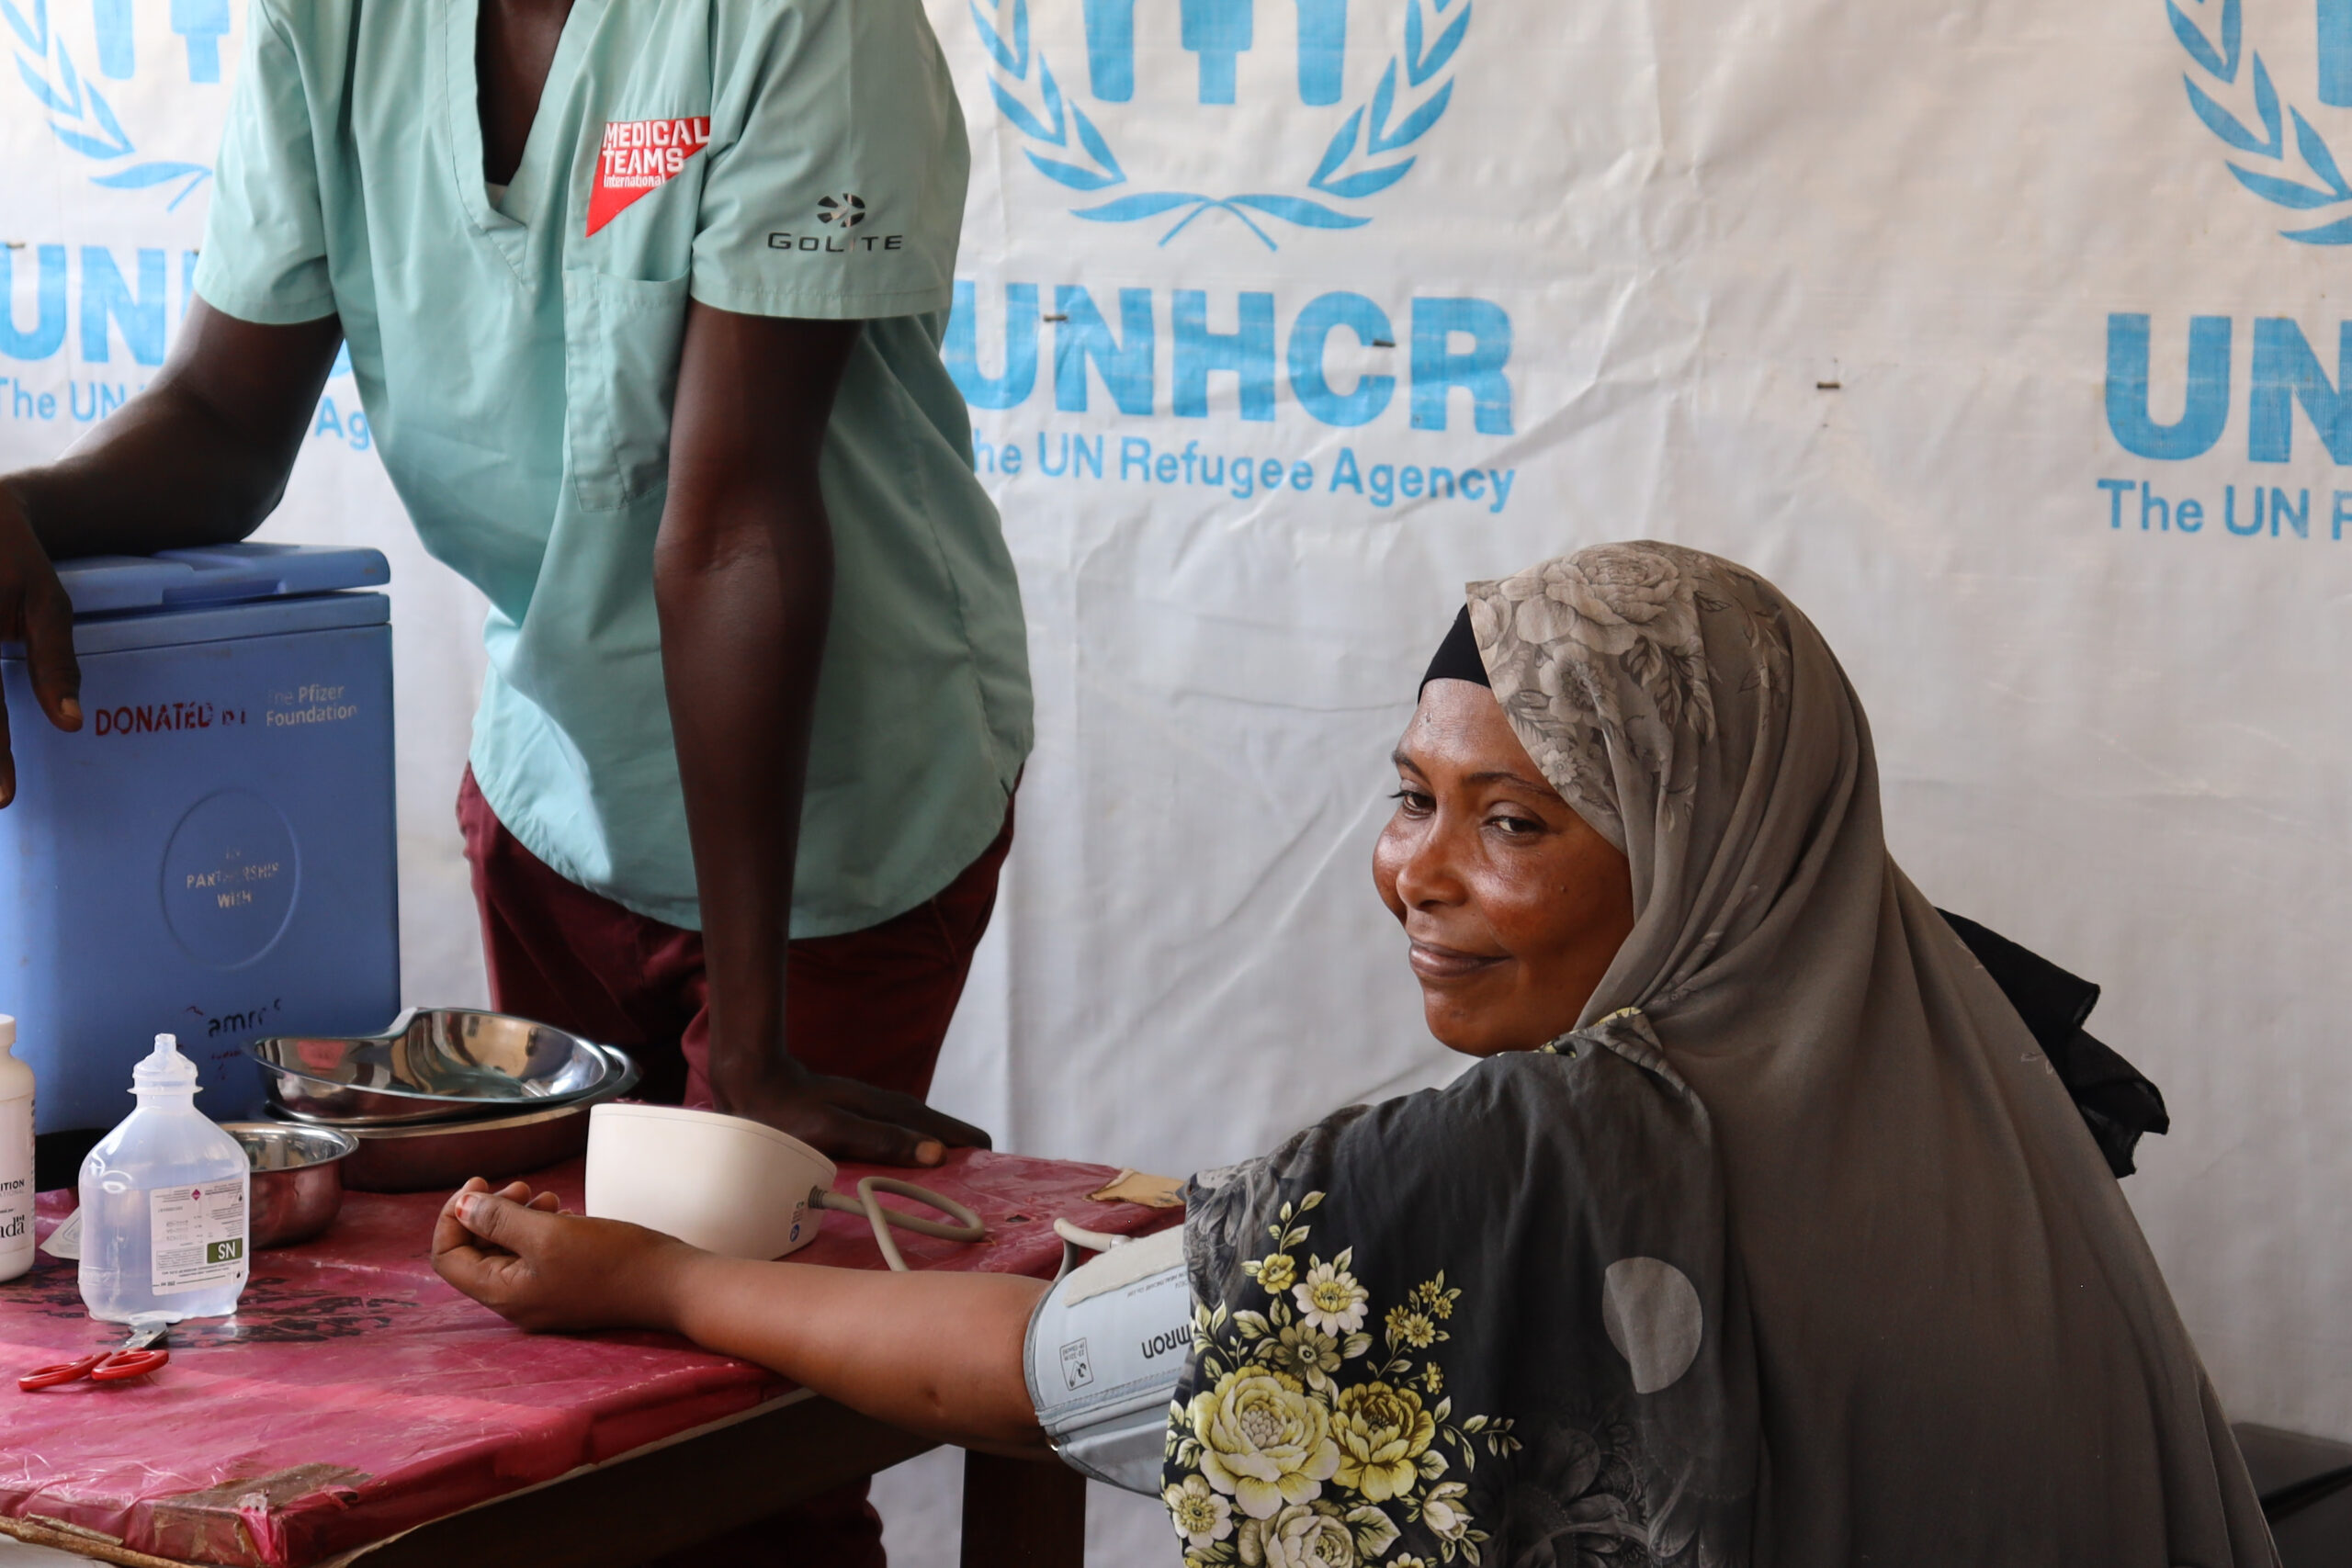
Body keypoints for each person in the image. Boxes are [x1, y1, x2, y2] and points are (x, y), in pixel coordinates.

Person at [432, 542, 2277, 1564]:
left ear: (1703, 836)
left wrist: (663, 1277)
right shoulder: (1959, 1041)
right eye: (1409, 795)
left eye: (1516, 821)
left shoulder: (1542, 1154)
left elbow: (1029, 1367)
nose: (1417, 873)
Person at [0, 0, 1028, 1556]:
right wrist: (22, 511)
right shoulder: (330, 25)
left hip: (827, 808)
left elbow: (735, 516)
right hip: (563, 770)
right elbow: (224, 417)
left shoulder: (793, 24)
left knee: (754, 1412)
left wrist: (748, 1049)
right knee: (557, 1395)